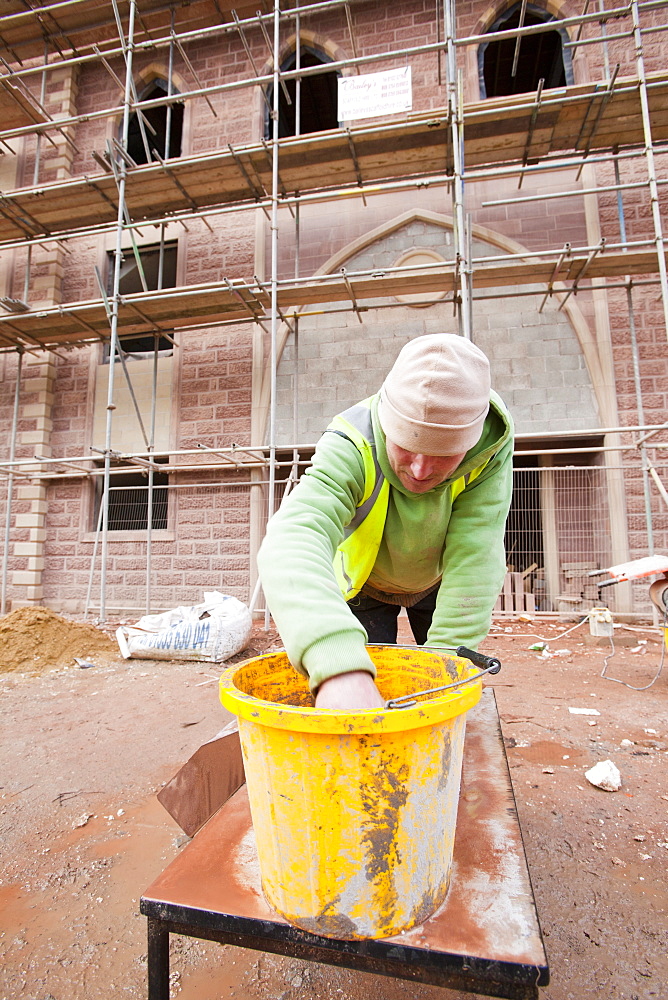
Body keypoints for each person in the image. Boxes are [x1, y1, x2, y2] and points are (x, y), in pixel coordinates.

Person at [257, 333, 514, 710]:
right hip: (366, 584)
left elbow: (478, 547)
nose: (422, 470)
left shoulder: (489, 450)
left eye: (444, 455)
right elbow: (295, 536)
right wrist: (338, 667)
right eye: (406, 446)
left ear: (470, 443)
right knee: (370, 681)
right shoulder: (351, 441)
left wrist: (448, 665)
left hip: (439, 583)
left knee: (443, 685)